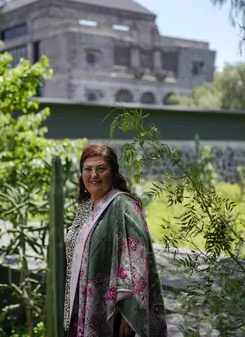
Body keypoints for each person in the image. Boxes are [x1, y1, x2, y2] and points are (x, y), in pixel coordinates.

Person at [64, 143, 168, 337]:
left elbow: (138, 254)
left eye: (101, 168)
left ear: (113, 173)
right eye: (88, 169)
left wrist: (131, 312)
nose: (93, 175)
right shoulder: (86, 209)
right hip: (82, 302)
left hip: (114, 310)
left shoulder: (123, 204)